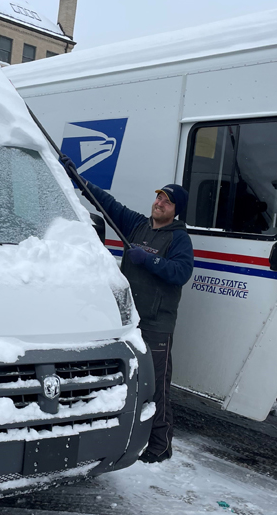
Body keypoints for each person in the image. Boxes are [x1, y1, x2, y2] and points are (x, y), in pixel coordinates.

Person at [62, 156, 193, 464]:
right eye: (159, 197)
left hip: (157, 325)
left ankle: (160, 446)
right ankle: (130, 437)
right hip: (129, 321)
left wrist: (150, 261)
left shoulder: (179, 239)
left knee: (157, 386)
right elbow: (108, 204)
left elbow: (181, 273)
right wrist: (78, 179)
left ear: (176, 210)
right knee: (129, 382)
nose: (159, 202)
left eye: (167, 201)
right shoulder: (137, 225)